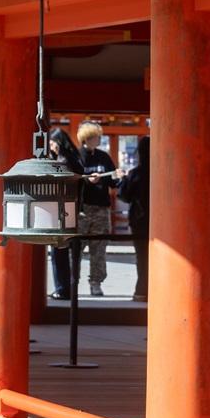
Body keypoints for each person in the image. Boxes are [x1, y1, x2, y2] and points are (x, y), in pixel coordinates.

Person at [74, 122, 119, 297]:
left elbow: (114, 181)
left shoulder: (104, 157)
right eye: (96, 136)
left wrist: (118, 176)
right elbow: (71, 181)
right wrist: (86, 180)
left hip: (101, 209)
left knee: (99, 248)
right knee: (76, 248)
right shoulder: (77, 157)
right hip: (82, 209)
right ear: (87, 138)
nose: (99, 139)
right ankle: (72, 282)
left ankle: (96, 282)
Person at [47, 128, 84, 300]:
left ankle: (62, 288)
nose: (51, 146)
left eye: (53, 143)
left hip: (60, 210)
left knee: (58, 253)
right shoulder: (75, 160)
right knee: (67, 253)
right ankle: (67, 287)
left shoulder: (62, 162)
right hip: (72, 210)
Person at [119, 137, 150, 301]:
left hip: (139, 221)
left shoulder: (136, 173)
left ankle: (142, 290)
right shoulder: (163, 172)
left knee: (142, 257)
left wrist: (123, 180)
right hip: (160, 222)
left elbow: (124, 196)